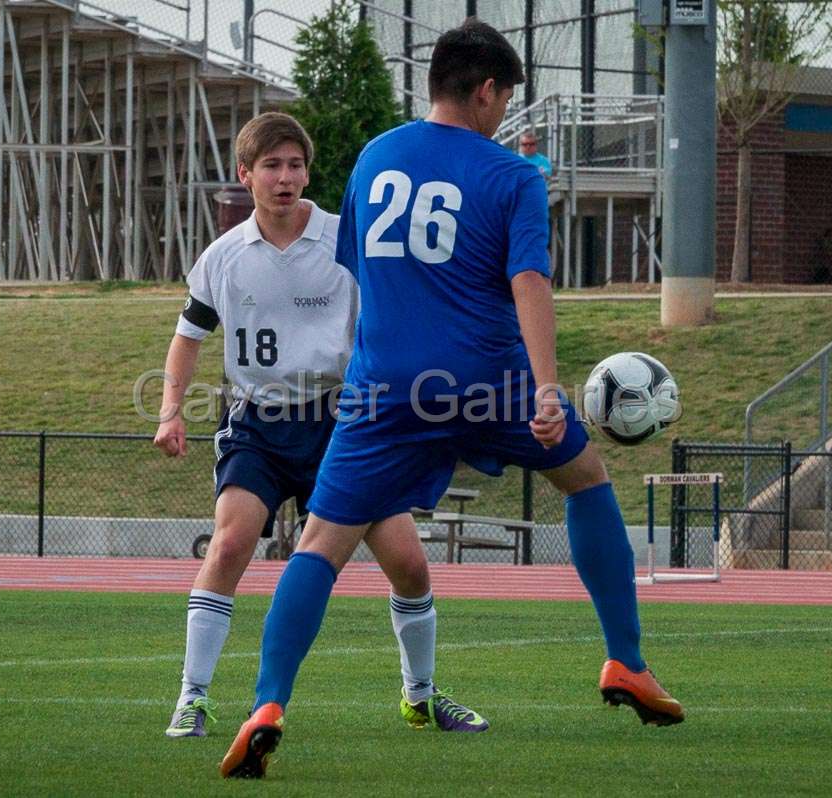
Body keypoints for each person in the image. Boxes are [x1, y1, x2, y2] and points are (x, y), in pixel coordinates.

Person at [219, 21, 683, 780]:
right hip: (487, 378)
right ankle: (626, 661)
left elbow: (361, 277)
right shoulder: (513, 176)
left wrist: (378, 374)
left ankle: (267, 704)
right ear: (485, 91)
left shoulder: (375, 157)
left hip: (384, 388)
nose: (503, 115)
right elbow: (529, 283)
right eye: (504, 99)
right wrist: (543, 388)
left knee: (319, 547)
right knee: (587, 480)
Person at [154, 112, 487, 741]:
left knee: (410, 564)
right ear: (245, 174)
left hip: (346, 425)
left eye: (296, 165)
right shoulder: (221, 258)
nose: (286, 178)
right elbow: (188, 339)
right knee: (229, 544)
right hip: (257, 425)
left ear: (307, 172)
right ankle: (192, 698)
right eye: (272, 166)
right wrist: (171, 412)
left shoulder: (347, 242)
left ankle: (420, 696)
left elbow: (392, 318)